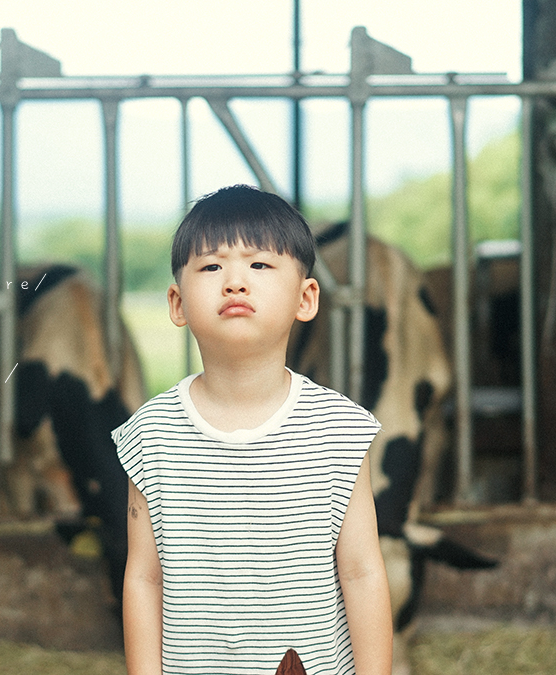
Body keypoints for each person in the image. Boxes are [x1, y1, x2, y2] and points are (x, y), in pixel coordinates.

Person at [114, 184, 393, 675]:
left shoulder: (340, 431)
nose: (235, 281)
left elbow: (362, 572)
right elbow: (144, 578)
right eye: (211, 266)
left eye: (259, 265)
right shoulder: (150, 435)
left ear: (306, 298)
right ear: (177, 304)